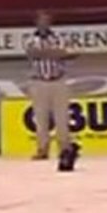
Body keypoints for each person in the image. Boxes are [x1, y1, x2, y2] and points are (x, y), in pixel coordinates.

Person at [24, 11, 80, 170]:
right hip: (38, 82)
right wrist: (57, 53)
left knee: (62, 117)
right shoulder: (29, 39)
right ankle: (42, 149)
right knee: (40, 119)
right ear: (36, 23)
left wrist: (49, 54)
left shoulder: (59, 37)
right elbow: (32, 53)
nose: (44, 24)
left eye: (46, 21)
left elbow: (73, 53)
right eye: (41, 21)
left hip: (58, 81)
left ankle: (64, 149)